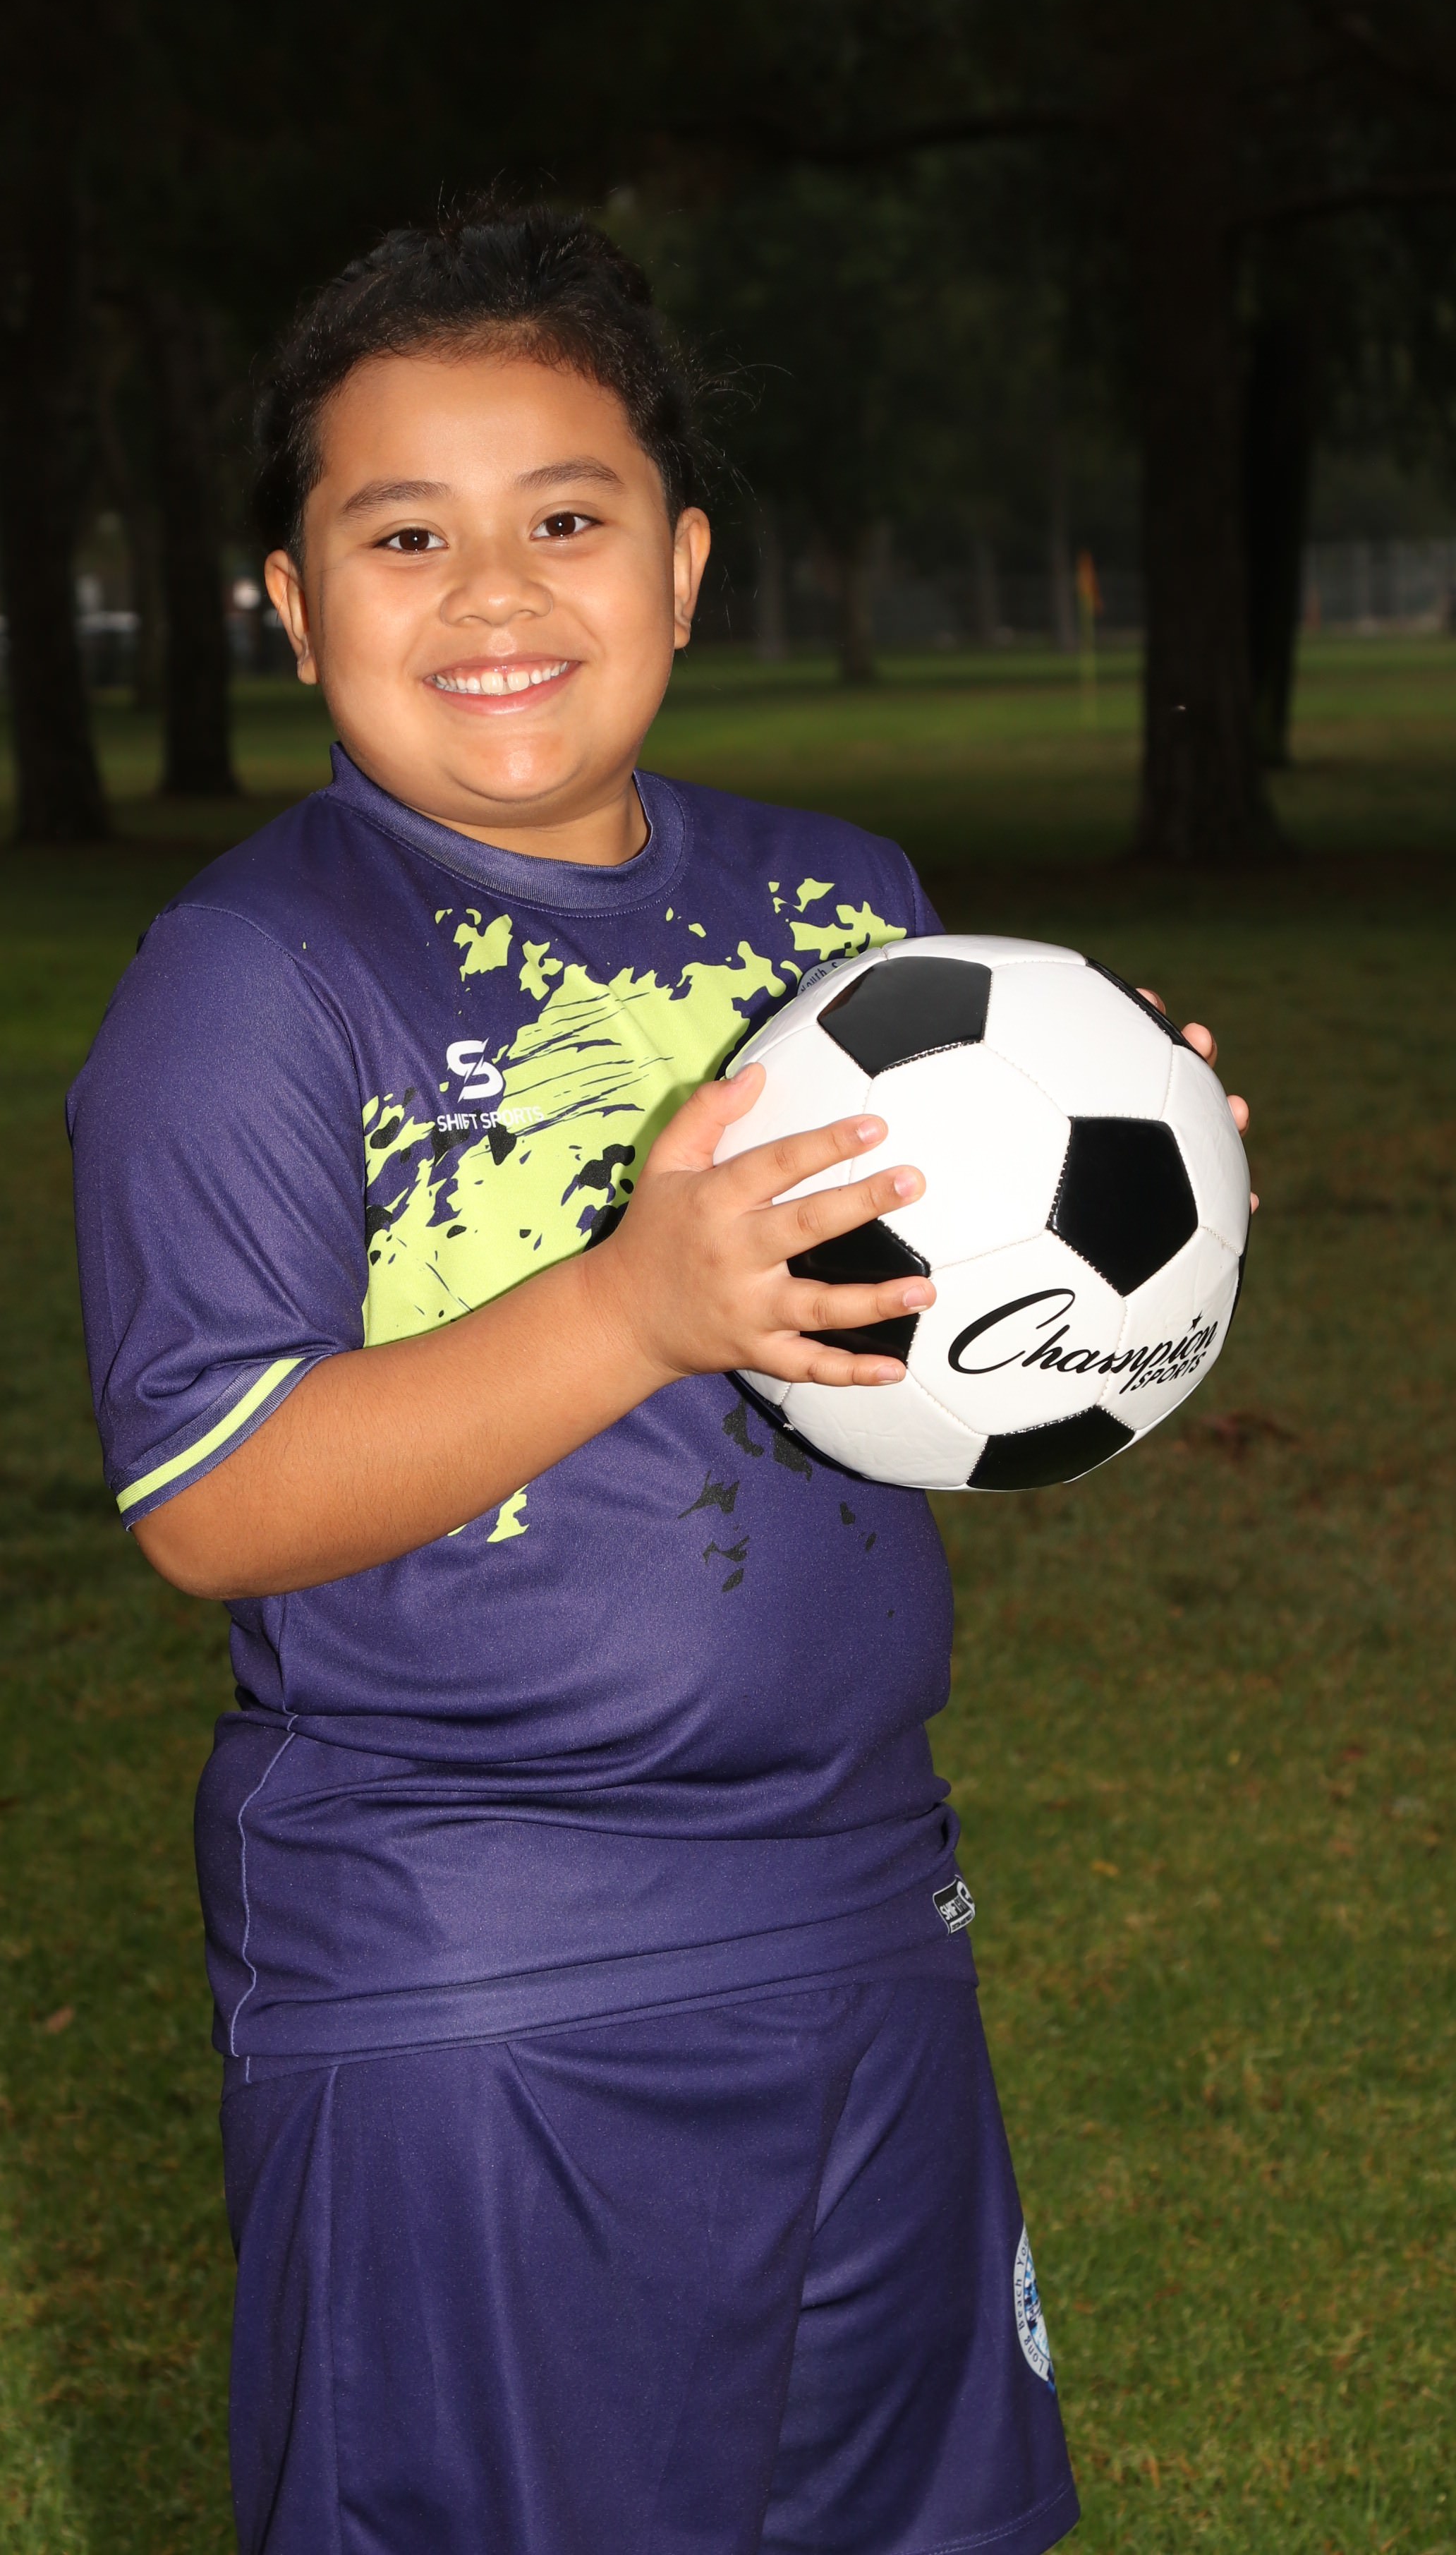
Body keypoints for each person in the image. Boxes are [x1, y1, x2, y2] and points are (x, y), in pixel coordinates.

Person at [67, 208, 1250, 2555]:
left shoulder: (846, 904)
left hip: (861, 1918)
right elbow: (213, 1499)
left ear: (684, 568)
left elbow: (914, 1361)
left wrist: (1132, 1201)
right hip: (478, 1982)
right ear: (292, 605)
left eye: (567, 519)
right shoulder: (249, 978)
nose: (494, 594)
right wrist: (634, 1304)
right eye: (405, 536)